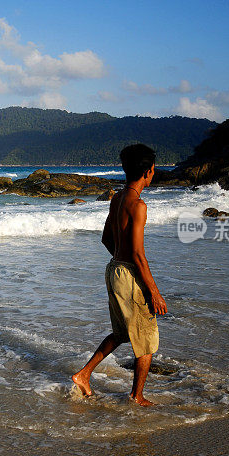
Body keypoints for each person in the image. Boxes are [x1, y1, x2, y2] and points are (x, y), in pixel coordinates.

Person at [71, 144, 167, 406]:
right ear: (148, 172)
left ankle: (83, 374)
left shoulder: (117, 198)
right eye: (153, 169)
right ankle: (137, 396)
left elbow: (105, 238)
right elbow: (138, 255)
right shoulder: (138, 205)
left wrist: (120, 261)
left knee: (123, 333)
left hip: (114, 269)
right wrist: (154, 292)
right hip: (128, 273)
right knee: (146, 337)